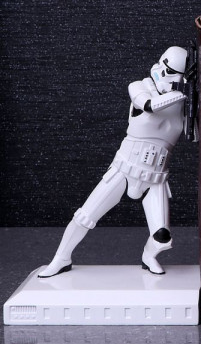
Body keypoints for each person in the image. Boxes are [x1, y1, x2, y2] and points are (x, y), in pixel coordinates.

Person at [39, 46, 188, 277]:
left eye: (180, 75)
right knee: (85, 216)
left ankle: (148, 256)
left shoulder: (184, 106)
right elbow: (149, 105)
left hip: (155, 177)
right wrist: (183, 91)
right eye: (171, 72)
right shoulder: (140, 87)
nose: (173, 79)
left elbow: (196, 134)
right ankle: (61, 258)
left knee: (162, 238)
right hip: (124, 168)